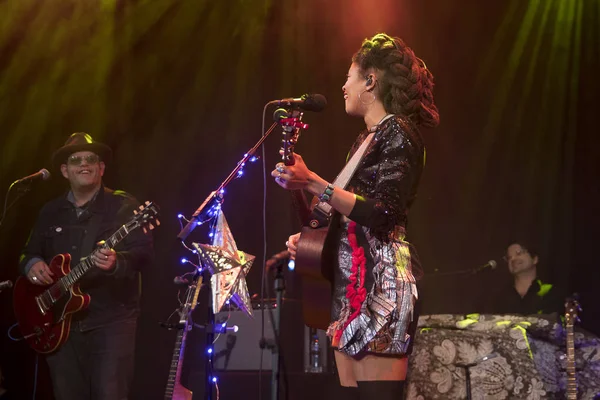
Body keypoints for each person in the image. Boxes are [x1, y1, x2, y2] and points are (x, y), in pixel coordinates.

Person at [271, 33, 439, 399]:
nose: (343, 86)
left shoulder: (400, 132)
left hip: (382, 286)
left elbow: (383, 213)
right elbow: (342, 218)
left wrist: (314, 181)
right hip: (349, 289)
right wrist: (304, 205)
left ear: (370, 80)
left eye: (349, 76)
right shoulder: (366, 140)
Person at [19, 132, 154, 400]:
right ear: (64, 171)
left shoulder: (123, 205)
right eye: (76, 159)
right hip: (60, 325)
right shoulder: (50, 211)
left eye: (91, 159)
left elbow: (145, 254)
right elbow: (27, 253)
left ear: (101, 168)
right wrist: (31, 265)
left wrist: (117, 262)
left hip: (112, 321)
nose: (84, 164)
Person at [484, 241, 563, 315]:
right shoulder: (499, 297)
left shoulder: (550, 292)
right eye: (509, 257)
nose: (513, 259)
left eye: (519, 253)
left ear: (534, 259)